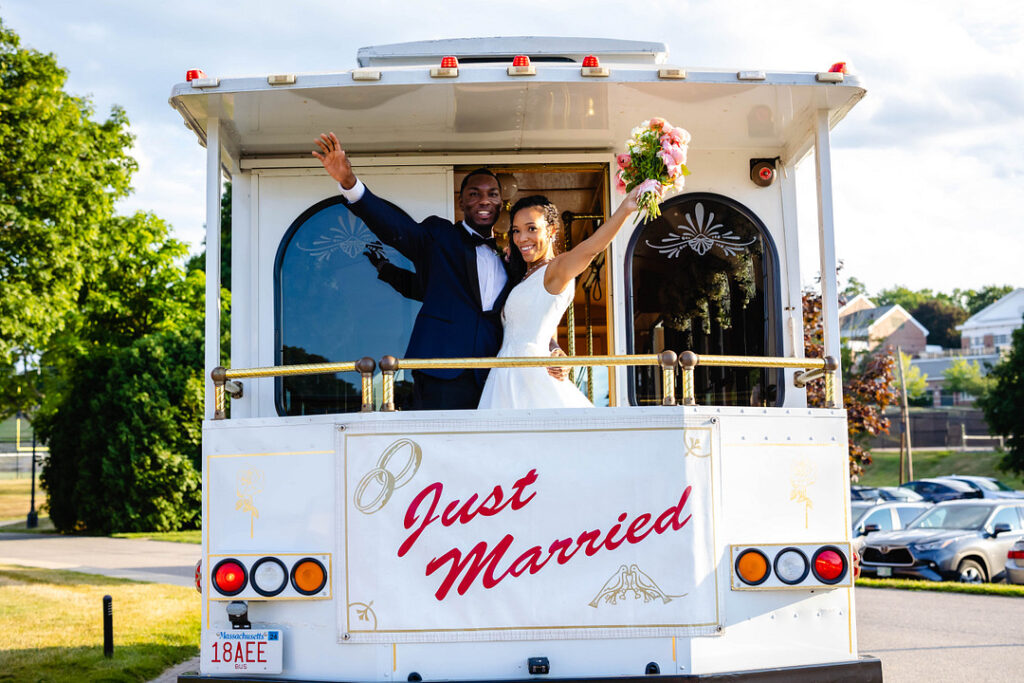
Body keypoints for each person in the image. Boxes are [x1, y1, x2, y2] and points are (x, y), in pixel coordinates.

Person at [313, 132, 561, 410]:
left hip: (494, 373)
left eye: (492, 194)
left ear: (500, 203)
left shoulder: (511, 257)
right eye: (474, 194)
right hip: (440, 367)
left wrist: (552, 347)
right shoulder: (439, 236)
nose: (484, 200)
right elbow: (397, 228)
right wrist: (349, 182)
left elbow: (525, 312)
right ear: (461, 203)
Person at [478, 190, 640, 410]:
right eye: (516, 231)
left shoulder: (556, 269)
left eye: (531, 228)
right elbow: (539, 326)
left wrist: (625, 209)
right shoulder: (527, 276)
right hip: (507, 375)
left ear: (552, 230)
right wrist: (555, 349)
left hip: (530, 375)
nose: (522, 238)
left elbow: (590, 249)